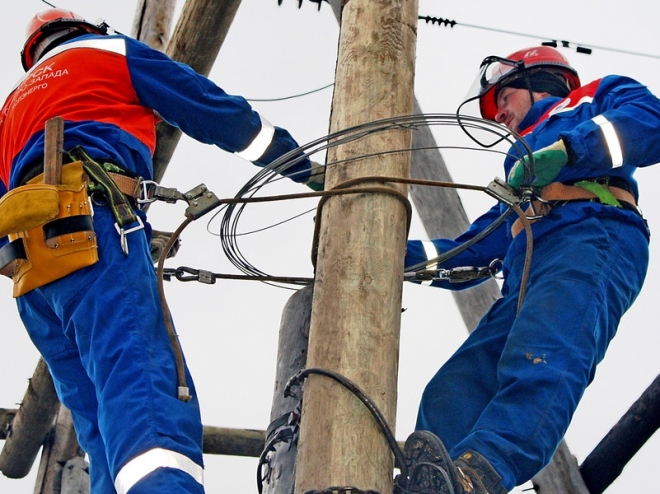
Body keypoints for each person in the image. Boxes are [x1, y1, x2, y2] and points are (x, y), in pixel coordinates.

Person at [0, 8, 322, 494]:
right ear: (86, 29)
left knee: (100, 429)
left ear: (34, 54)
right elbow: (212, 109)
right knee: (142, 393)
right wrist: (299, 164)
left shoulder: (11, 108)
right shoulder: (105, 52)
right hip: (92, 235)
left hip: (30, 277)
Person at [398, 46, 660, 493]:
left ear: (540, 80)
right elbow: (476, 248)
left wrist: (568, 150)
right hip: (527, 265)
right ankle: (428, 481)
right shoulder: (518, 168)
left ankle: (477, 474)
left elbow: (649, 123)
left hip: (592, 235)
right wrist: (390, 253)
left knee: (541, 358)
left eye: (503, 98)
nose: (499, 114)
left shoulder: (596, 96)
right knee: (455, 387)